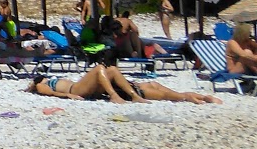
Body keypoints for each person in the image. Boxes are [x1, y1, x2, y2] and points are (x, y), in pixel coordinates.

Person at [30, 63, 219, 104]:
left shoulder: (50, 79)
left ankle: (198, 96)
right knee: (99, 68)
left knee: (110, 69)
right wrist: (68, 95)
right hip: (78, 89)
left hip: (87, 87)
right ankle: (115, 96)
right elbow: (52, 94)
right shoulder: (40, 85)